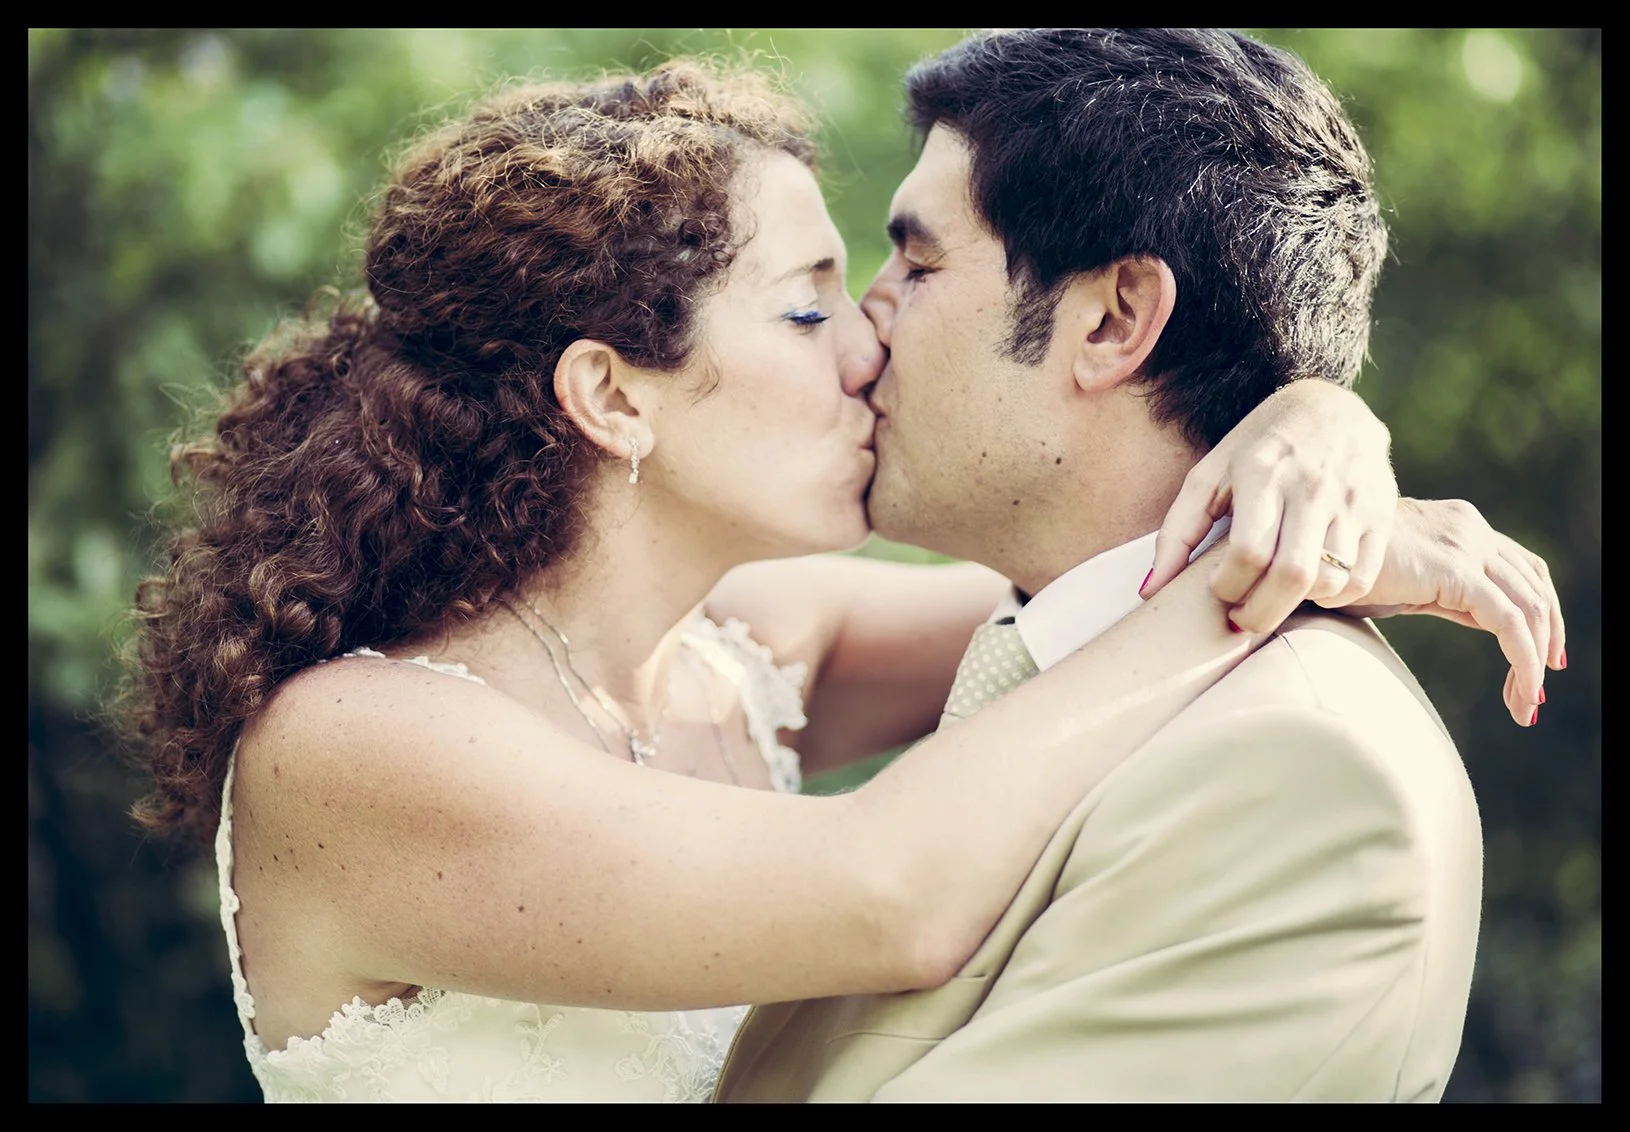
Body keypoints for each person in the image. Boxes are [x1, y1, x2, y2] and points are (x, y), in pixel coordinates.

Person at [118, 57, 1558, 1103]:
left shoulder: (747, 646)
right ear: (614, 398)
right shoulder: (354, 749)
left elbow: (1081, 600)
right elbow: (889, 888)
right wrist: (1251, 563)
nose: (868, 347)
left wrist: (1313, 421)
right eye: (808, 306)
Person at [711, 29, 1564, 1103]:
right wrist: (1319, 422)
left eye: (918, 265)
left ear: (1115, 319)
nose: (861, 334)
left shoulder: (1302, 779)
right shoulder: (1063, 635)